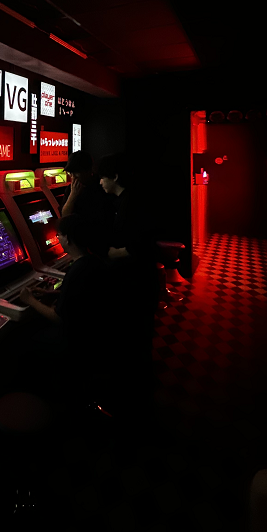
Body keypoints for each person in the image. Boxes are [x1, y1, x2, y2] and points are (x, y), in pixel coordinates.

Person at [19, 214, 116, 410]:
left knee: (28, 344)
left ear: (69, 239)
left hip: (81, 342)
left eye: (59, 234)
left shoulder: (78, 270)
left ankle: (48, 399)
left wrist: (29, 300)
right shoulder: (91, 262)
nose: (57, 238)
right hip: (99, 336)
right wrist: (49, 292)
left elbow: (59, 318)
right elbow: (79, 294)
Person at [97, 153, 159, 421]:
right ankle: (138, 400)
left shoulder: (132, 202)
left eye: (103, 176)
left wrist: (114, 253)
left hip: (137, 284)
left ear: (115, 177)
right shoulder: (124, 200)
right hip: (138, 282)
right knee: (136, 343)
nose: (99, 182)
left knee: (133, 343)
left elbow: (142, 243)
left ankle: (133, 408)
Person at [60, 150, 114, 257]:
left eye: (76, 172)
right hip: (80, 245)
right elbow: (65, 215)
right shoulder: (70, 189)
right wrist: (73, 195)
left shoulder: (102, 186)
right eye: (71, 173)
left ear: (88, 170)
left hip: (101, 243)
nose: (73, 177)